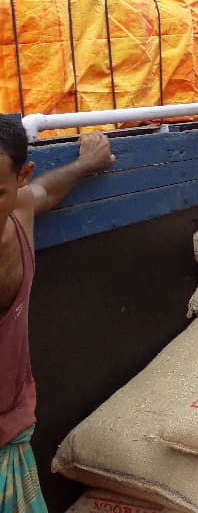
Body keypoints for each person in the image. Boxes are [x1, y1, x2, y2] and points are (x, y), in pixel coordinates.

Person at [1, 119, 115, 511]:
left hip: (10, 438)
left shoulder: (19, 212)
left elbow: (45, 191)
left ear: (20, 177)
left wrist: (87, 164)